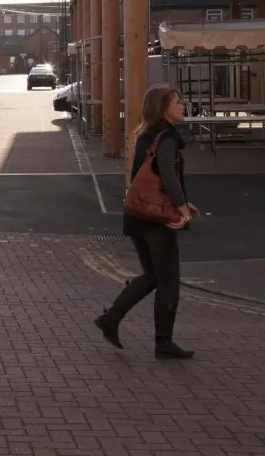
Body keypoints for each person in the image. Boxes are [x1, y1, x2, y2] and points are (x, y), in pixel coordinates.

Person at [95, 84, 200, 360]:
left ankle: (111, 319)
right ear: (163, 107)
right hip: (156, 219)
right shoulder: (167, 138)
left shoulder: (145, 135)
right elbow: (168, 177)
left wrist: (182, 202)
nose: (182, 106)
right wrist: (182, 211)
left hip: (137, 215)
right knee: (169, 281)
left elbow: (147, 178)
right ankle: (163, 342)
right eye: (177, 102)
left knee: (153, 275)